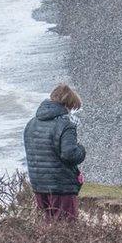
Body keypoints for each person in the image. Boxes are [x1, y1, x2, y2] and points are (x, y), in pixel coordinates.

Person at [23, 84, 87, 221]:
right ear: (67, 105)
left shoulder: (31, 124)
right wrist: (81, 150)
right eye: (72, 108)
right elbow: (69, 154)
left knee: (46, 228)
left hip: (38, 185)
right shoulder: (66, 125)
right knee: (67, 229)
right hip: (61, 186)